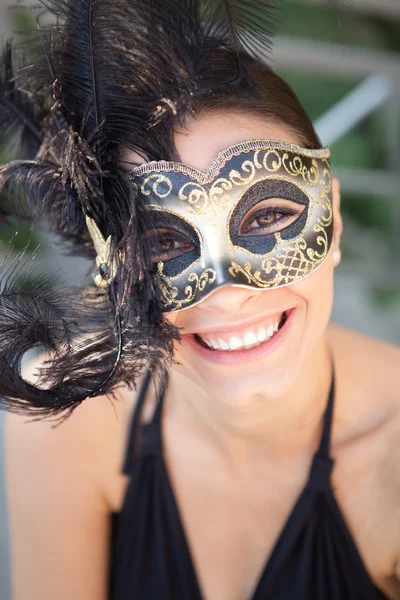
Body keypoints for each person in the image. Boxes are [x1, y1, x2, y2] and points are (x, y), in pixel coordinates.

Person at [1, 1, 399, 599]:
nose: (228, 293)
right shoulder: (68, 419)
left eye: (267, 216)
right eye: (162, 242)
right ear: (112, 266)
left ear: (334, 219)